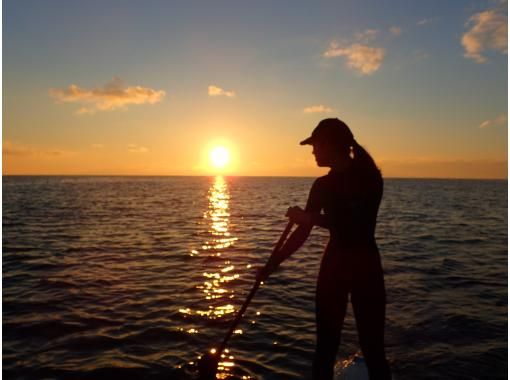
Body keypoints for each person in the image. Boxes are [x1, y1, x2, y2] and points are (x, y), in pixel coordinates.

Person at [257, 118, 391, 380]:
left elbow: (355, 224)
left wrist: (309, 218)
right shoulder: (321, 185)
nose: (312, 151)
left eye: (315, 145)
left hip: (365, 268)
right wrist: (273, 264)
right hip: (334, 268)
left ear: (330, 144)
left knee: (373, 349)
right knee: (325, 349)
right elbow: (303, 231)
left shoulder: (370, 179)